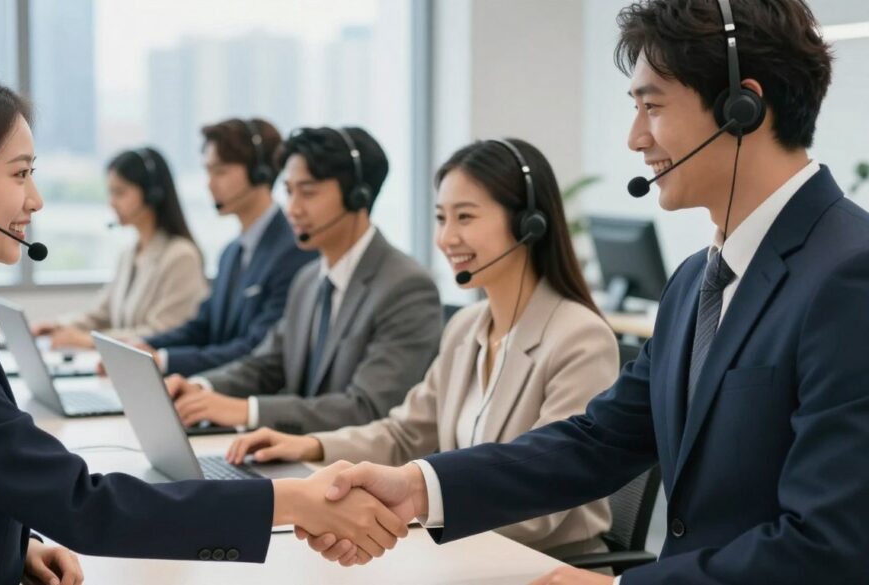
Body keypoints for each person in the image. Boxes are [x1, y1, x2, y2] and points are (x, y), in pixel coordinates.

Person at [300, 1, 869, 583]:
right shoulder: (697, 279)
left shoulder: (851, 276)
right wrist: (419, 487)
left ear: (741, 108)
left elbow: (831, 544)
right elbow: (598, 442)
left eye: (652, 106)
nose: (634, 138)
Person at [0, 70, 405, 585]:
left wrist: (17, 546)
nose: (35, 200)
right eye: (21, 174)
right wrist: (290, 500)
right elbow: (86, 507)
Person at [226, 138, 620, 559]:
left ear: (528, 223)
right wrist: (311, 446)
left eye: (465, 217)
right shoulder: (466, 328)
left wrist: (410, 509)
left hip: (543, 566)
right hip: (460, 555)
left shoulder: (580, 339)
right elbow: (404, 433)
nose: (446, 238)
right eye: (440, 218)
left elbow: (545, 498)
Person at [164, 126, 443, 434]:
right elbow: (267, 363)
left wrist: (247, 411)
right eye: (289, 191)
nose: (293, 209)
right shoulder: (308, 279)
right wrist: (201, 388)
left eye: (308, 192)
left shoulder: (405, 287)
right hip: (300, 459)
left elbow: (368, 408)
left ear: (357, 196)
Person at [135, 118, 317, 377]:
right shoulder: (231, 253)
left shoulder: (295, 249)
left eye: (220, 171)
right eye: (208, 171)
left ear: (260, 173)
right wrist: (144, 347)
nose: (210, 184)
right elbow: (203, 326)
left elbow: (257, 348)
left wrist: (164, 360)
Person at [31, 147, 207, 348]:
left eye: (120, 192)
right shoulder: (130, 254)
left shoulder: (181, 256)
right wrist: (58, 325)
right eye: (111, 192)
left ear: (152, 194)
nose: (112, 203)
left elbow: (162, 332)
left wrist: (87, 341)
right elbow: (101, 313)